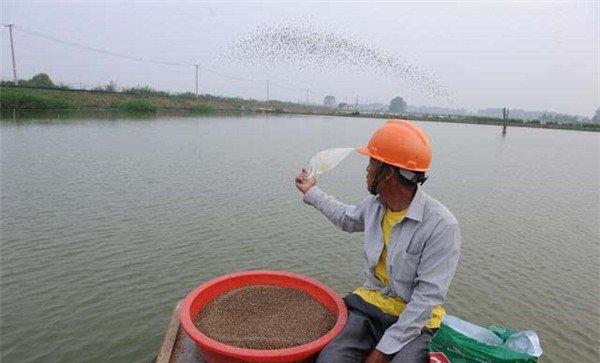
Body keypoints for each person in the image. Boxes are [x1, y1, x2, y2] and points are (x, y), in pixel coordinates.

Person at [295, 120, 461, 363]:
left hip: (415, 320)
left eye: (371, 163)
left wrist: (382, 352)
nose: (366, 170)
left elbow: (427, 297)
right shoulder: (376, 205)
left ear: (388, 173)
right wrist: (311, 191)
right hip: (371, 305)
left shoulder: (441, 226)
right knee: (330, 359)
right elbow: (345, 218)